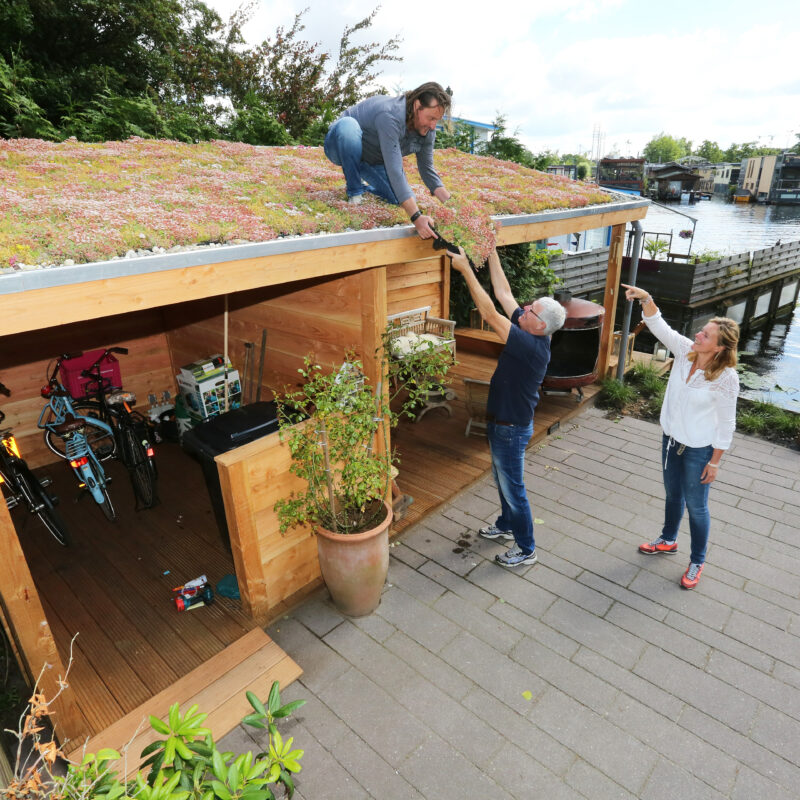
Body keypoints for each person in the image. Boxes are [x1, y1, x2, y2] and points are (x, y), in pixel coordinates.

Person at [449, 247, 566, 567]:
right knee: (502, 479)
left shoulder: (530, 345)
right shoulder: (532, 327)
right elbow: (502, 293)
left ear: (540, 325)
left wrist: (465, 270)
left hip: (511, 430)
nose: (524, 309)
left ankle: (527, 548)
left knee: (514, 489)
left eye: (531, 310)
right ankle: (505, 524)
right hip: (503, 423)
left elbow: (488, 313)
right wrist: (491, 250)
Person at [621, 283, 740, 590]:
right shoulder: (685, 351)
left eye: (705, 335)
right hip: (670, 440)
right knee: (673, 496)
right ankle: (668, 539)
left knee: (697, 506)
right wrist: (646, 298)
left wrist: (714, 463)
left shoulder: (726, 378)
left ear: (719, 348)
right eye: (701, 331)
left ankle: (697, 561)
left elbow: (727, 424)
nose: (698, 335)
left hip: (699, 450)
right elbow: (659, 324)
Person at [323, 82, 452, 240]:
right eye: (431, 118)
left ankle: (364, 188)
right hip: (340, 145)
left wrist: (453, 207)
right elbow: (395, 169)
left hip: (371, 160)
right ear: (417, 105)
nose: (433, 126)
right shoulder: (390, 115)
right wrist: (416, 217)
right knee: (348, 127)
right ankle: (355, 191)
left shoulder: (427, 130)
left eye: (437, 120)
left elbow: (427, 170)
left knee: (399, 198)